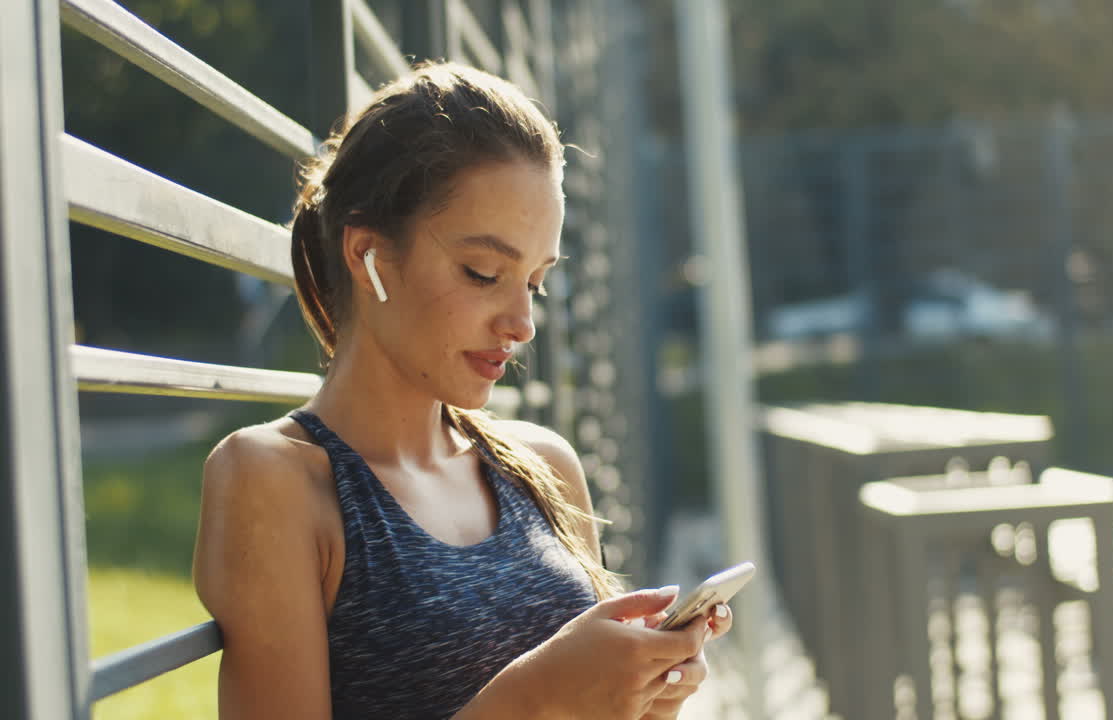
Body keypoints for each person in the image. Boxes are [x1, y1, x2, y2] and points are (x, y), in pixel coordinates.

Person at [192, 61, 733, 719]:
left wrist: (650, 693)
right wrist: (540, 697)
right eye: (483, 273)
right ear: (368, 257)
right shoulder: (273, 483)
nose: (522, 323)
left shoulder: (544, 470)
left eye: (534, 282)